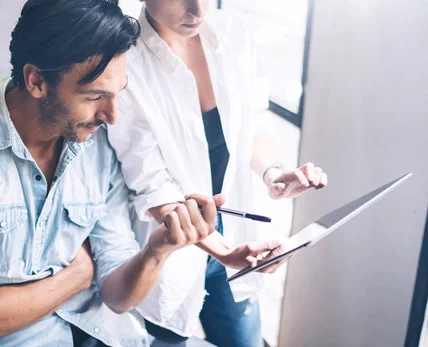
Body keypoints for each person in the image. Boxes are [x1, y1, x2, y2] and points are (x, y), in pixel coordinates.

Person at [0, 1, 282, 346]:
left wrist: (158, 249)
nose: (112, 116)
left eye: (118, 93)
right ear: (37, 81)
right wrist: (76, 276)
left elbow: (117, 297)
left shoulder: (97, 147)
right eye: (93, 97)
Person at [106, 1, 328, 346]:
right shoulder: (124, 62)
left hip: (238, 233)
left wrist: (273, 173)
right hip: (170, 241)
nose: (198, 10)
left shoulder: (235, 33)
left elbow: (253, 121)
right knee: (166, 334)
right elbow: (152, 187)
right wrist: (222, 250)